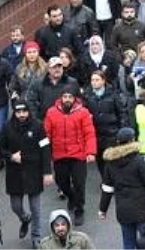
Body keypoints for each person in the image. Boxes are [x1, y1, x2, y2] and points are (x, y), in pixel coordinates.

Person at [0, 102, 53, 247]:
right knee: (15, 206)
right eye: (18, 112)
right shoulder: (7, 127)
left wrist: (47, 172)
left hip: (33, 171)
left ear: (28, 111)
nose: (21, 114)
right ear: (14, 113)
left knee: (36, 208)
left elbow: (45, 148)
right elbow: (0, 149)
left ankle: (36, 237)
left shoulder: (38, 125)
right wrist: (11, 156)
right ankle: (24, 218)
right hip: (14, 173)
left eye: (24, 111)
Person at [44, 90, 97, 227]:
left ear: (75, 98)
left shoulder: (83, 112)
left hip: (78, 154)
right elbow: (47, 133)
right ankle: (71, 197)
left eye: (70, 97)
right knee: (61, 182)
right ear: (61, 98)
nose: (67, 99)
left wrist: (90, 152)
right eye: (65, 97)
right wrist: (43, 152)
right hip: (59, 154)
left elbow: (89, 133)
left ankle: (79, 209)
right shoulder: (51, 112)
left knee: (79, 183)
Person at [100, 126, 145, 250]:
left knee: (128, 243)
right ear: (132, 141)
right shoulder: (139, 160)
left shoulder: (110, 163)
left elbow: (107, 188)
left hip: (123, 211)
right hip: (142, 209)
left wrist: (102, 209)